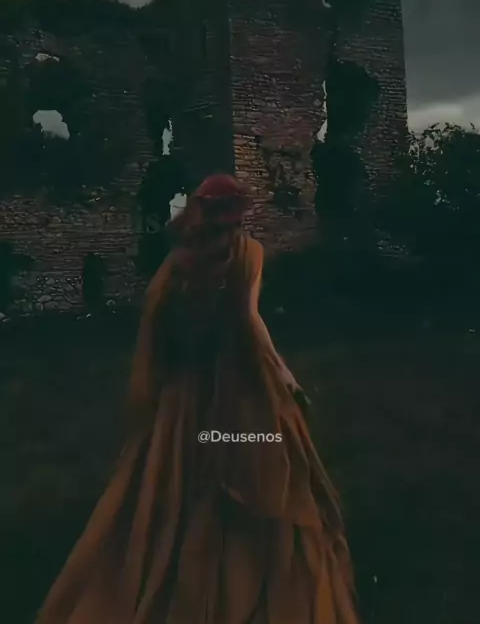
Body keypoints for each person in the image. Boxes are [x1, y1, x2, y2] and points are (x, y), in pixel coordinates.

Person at [34, 173, 360, 624]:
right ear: (238, 214)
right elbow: (250, 320)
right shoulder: (248, 253)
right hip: (240, 381)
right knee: (259, 454)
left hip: (184, 392)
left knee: (177, 474)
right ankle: (245, 564)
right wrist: (283, 373)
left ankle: (179, 556)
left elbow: (161, 325)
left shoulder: (178, 263)